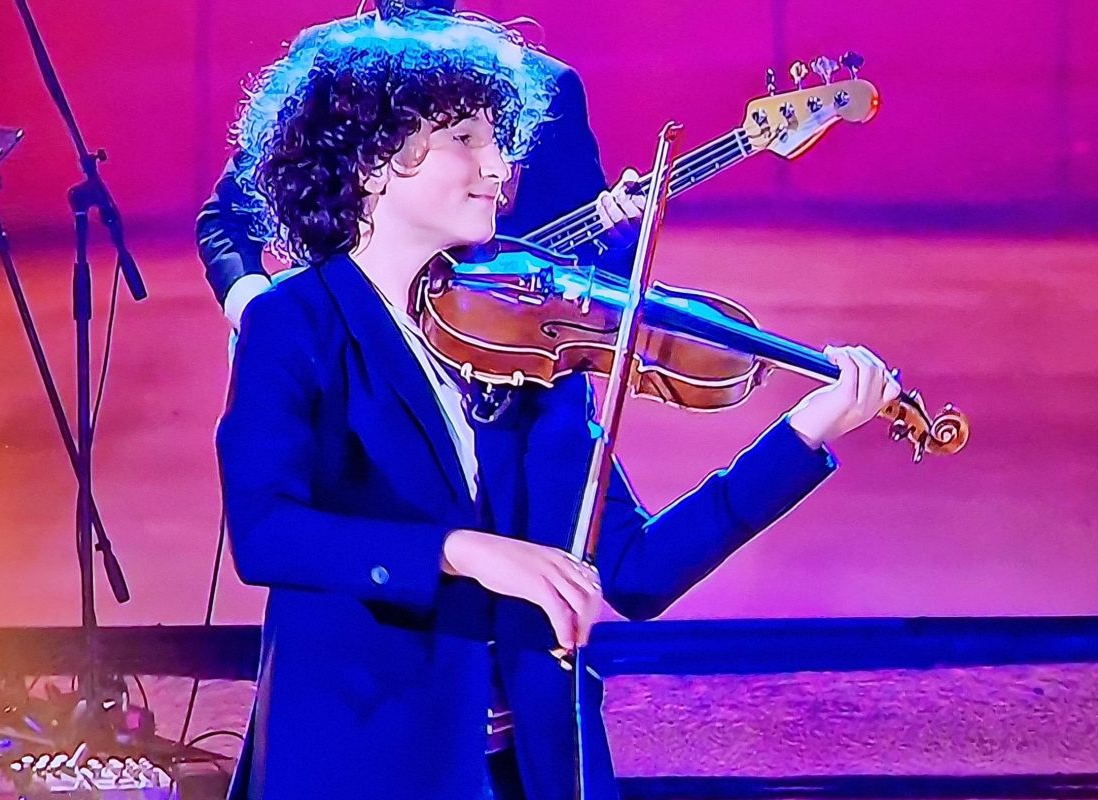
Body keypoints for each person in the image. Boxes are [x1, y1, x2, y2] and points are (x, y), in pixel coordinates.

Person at [214, 11, 901, 800]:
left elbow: (638, 572)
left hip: (534, 769)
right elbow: (267, 535)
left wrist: (803, 435)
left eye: (498, 141)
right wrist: (465, 551)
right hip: (362, 759)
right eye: (466, 140)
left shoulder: (523, 342)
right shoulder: (296, 324)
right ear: (374, 163)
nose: (500, 167)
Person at [195, 0, 639, 331]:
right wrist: (258, 316)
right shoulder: (326, 61)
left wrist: (619, 241)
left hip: (503, 374)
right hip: (346, 363)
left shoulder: (541, 84)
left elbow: (592, 276)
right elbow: (227, 218)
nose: (496, 169)